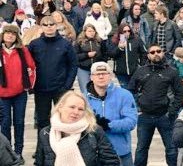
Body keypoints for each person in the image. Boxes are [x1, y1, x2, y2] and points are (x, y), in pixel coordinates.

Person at [27, 16, 77, 156]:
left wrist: (67, 85)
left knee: (63, 119)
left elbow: (73, 65)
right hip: (41, 89)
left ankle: (63, 149)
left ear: (56, 26)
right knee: (42, 121)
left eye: (51, 24)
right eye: (46, 24)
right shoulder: (34, 44)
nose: (49, 27)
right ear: (41, 27)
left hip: (60, 89)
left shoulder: (65, 44)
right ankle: (41, 150)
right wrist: (31, 85)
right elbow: (28, 65)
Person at [128, 43, 183, 166]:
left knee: (171, 149)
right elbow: (130, 89)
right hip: (145, 116)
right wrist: (138, 105)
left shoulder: (172, 72)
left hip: (165, 116)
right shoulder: (141, 71)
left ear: (163, 53)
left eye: (158, 51)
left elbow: (180, 92)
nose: (156, 54)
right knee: (141, 149)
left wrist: (172, 111)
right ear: (148, 55)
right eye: (152, 52)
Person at [35, 90, 120, 165]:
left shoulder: (94, 130)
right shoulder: (45, 133)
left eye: (80, 109)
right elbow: (39, 162)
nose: (76, 112)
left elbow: (111, 161)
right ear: (60, 107)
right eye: (72, 107)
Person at [86, 62, 138, 166]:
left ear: (111, 76)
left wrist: (108, 125)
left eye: (105, 73)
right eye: (97, 74)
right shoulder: (83, 99)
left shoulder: (125, 95)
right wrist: (93, 126)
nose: (101, 76)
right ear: (91, 77)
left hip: (120, 152)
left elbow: (131, 121)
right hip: (93, 153)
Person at [0, 25, 36, 163]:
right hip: (2, 94)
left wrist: (28, 85)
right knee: (5, 124)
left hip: (20, 93)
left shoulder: (22, 50)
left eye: (13, 34)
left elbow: (31, 68)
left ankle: (18, 152)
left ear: (17, 36)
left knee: (19, 123)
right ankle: (7, 153)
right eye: (7, 33)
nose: (10, 36)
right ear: (3, 35)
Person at [107, 23, 148, 87]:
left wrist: (142, 65)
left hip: (134, 71)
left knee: (134, 90)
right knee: (125, 90)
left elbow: (144, 53)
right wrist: (119, 48)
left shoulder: (136, 39)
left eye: (128, 31)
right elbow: (111, 54)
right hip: (121, 72)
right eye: (124, 31)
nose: (127, 33)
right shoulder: (114, 40)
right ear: (120, 32)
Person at [74, 23, 106, 92]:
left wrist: (102, 62)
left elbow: (105, 53)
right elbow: (75, 56)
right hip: (83, 69)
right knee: (85, 89)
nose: (91, 33)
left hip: (97, 69)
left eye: (93, 31)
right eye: (89, 31)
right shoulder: (79, 42)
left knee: (98, 89)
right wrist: (87, 55)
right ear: (85, 32)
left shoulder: (100, 41)